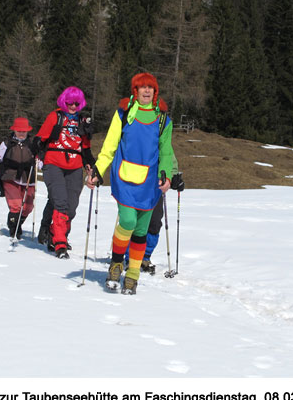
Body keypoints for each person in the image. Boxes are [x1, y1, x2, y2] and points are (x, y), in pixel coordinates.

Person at [87, 72, 174, 294]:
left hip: (150, 183)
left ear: (155, 92)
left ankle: (133, 273)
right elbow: (110, 145)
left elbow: (166, 151)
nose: (146, 91)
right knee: (127, 221)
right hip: (124, 178)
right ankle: (116, 263)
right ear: (135, 91)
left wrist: (167, 175)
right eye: (142, 87)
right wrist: (98, 169)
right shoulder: (124, 114)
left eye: (150, 88)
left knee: (141, 230)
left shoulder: (163, 119)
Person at [31, 86, 95, 259]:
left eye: (76, 103)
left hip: (75, 165)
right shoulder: (56, 116)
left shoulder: (82, 121)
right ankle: (60, 242)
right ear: (63, 102)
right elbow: (41, 137)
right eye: (69, 103)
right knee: (60, 203)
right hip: (53, 163)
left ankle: (51, 231)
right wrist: (35, 149)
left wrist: (90, 163)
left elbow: (86, 147)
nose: (73, 106)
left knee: (71, 207)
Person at [124, 155, 184, 275]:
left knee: (155, 222)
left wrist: (174, 177)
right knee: (133, 221)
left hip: (155, 186)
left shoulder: (162, 137)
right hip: (135, 183)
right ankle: (130, 257)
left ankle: (145, 256)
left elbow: (169, 158)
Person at [0, 117, 36, 239]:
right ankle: (13, 228)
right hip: (10, 176)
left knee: (28, 207)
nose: (21, 133)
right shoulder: (7, 142)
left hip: (28, 178)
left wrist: (39, 162)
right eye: (19, 131)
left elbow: (40, 159)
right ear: (14, 130)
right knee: (16, 204)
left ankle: (17, 223)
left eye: (24, 131)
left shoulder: (33, 143)